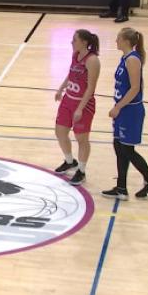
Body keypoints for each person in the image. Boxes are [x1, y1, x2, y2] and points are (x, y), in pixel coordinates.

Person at [101, 27, 148, 200]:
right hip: (123, 109)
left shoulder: (133, 60)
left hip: (131, 110)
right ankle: (121, 188)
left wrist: (118, 107)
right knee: (118, 146)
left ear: (126, 41)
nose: (116, 41)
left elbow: (135, 88)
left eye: (118, 38)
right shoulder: (125, 57)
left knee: (127, 149)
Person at [53, 30, 101, 186]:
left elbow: (91, 87)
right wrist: (61, 89)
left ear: (84, 42)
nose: (72, 42)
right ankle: (70, 161)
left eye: (74, 40)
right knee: (60, 132)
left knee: (82, 139)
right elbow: (71, 74)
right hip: (68, 99)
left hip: (83, 103)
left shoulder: (92, 60)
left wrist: (80, 108)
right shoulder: (76, 54)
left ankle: (81, 170)